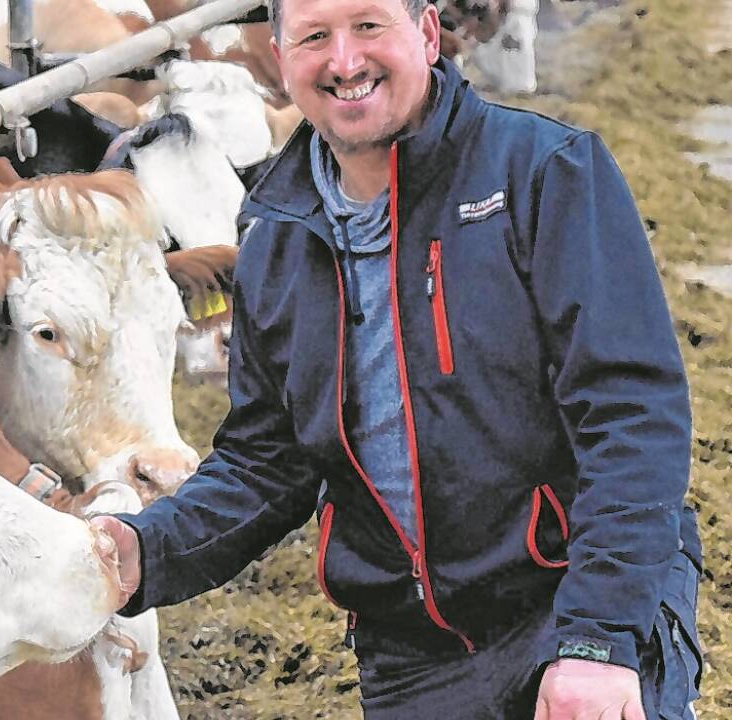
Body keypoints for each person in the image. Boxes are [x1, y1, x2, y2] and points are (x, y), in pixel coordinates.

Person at [90, 0, 704, 717]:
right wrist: (144, 551)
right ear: (281, 60)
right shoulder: (274, 232)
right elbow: (267, 461)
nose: (345, 61)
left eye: (369, 25)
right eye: (315, 37)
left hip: (565, 600)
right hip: (412, 651)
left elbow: (631, 419)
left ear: (428, 34)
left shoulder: (542, 173)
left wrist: (598, 641)